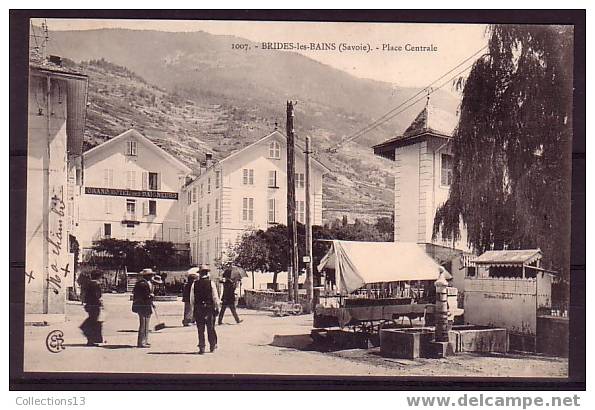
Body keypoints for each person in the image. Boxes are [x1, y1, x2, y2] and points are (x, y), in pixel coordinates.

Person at [190, 265, 220, 354]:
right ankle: (212, 346)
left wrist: (193, 310)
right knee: (210, 328)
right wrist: (217, 307)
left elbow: (192, 299)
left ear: (200, 274)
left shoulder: (194, 284)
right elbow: (215, 297)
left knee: (200, 329)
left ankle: (202, 347)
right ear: (207, 273)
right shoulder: (211, 283)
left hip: (198, 308)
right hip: (209, 308)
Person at [80, 270, 104, 346]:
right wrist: (101, 303)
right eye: (101, 277)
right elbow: (97, 296)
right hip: (95, 305)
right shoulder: (96, 285)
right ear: (99, 277)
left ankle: (90, 339)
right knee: (93, 322)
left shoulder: (88, 284)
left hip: (89, 305)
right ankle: (90, 339)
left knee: (92, 321)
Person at [132, 269, 155, 348]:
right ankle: (141, 342)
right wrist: (150, 296)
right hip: (143, 306)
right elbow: (144, 296)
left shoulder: (143, 283)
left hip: (145, 305)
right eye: (151, 275)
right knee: (144, 324)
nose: (152, 276)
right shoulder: (142, 284)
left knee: (146, 324)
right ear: (147, 276)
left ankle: (145, 340)